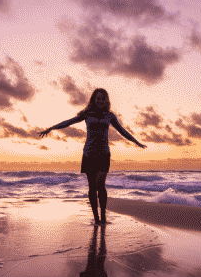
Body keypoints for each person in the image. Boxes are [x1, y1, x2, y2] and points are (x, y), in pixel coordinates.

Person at [39, 88, 146, 224]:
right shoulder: (87, 114)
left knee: (100, 184)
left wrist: (136, 141)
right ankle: (96, 219)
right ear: (94, 100)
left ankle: (103, 216)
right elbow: (69, 122)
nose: (100, 101)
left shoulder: (110, 116)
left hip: (104, 154)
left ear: (106, 100)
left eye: (103, 98)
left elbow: (122, 131)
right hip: (89, 154)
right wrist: (52, 128)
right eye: (98, 98)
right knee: (91, 187)